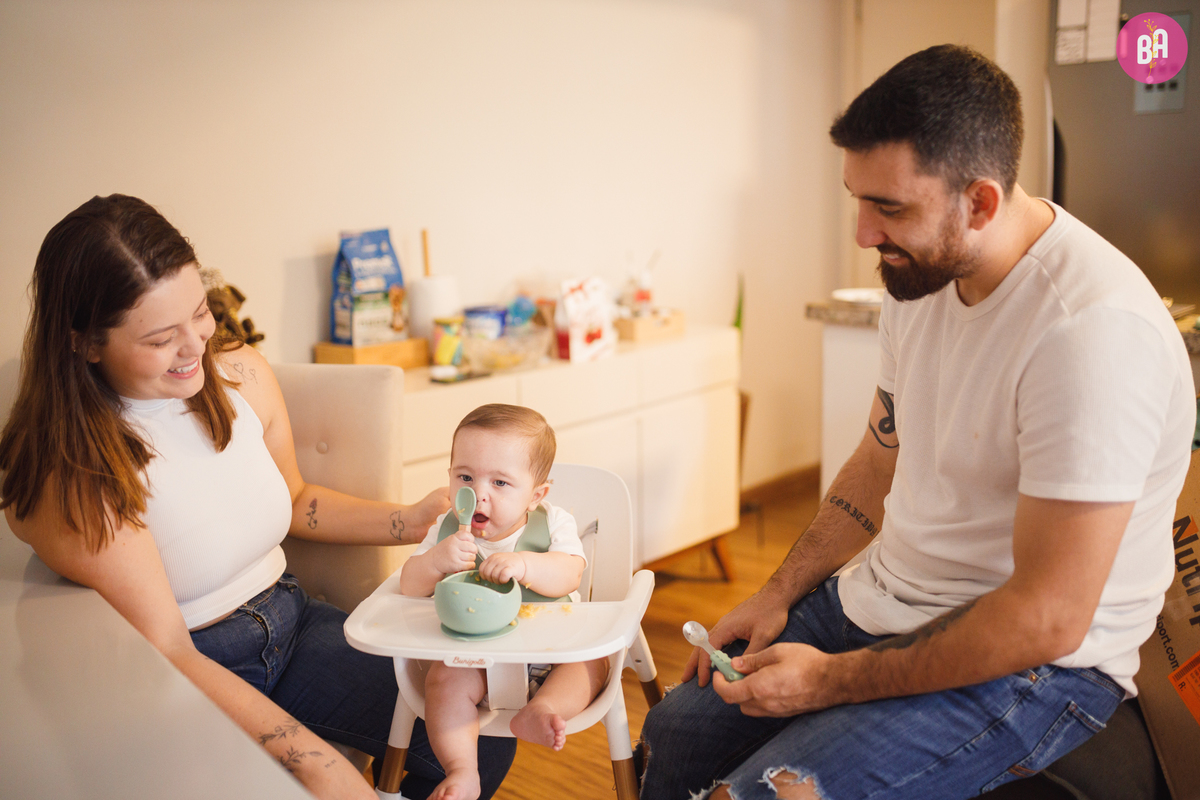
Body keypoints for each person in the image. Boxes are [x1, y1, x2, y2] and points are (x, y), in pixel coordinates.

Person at [638, 45, 1195, 800]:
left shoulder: (1090, 333)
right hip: (883, 596)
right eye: (858, 200)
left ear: (981, 203)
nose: (863, 234)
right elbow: (878, 458)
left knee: (761, 793)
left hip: (1034, 667)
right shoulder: (922, 278)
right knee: (673, 737)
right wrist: (779, 592)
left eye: (889, 208)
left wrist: (827, 683)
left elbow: (1048, 619)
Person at [0, 195, 517, 800]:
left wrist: (414, 519)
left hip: (290, 621)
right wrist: (320, 766)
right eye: (163, 337)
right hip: (192, 669)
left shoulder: (236, 374)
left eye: (199, 313)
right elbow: (168, 650)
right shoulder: (73, 475)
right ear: (86, 343)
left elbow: (296, 500)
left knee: (480, 735)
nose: (195, 346)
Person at [400, 403, 609, 800]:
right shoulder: (446, 529)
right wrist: (434, 561)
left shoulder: (553, 523)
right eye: (465, 476)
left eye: (500, 483)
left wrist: (525, 564)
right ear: (449, 478)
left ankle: (543, 709)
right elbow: (408, 586)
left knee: (592, 664)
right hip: (476, 661)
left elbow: (571, 573)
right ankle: (462, 770)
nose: (479, 493)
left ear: (536, 494)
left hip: (553, 652)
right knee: (442, 680)